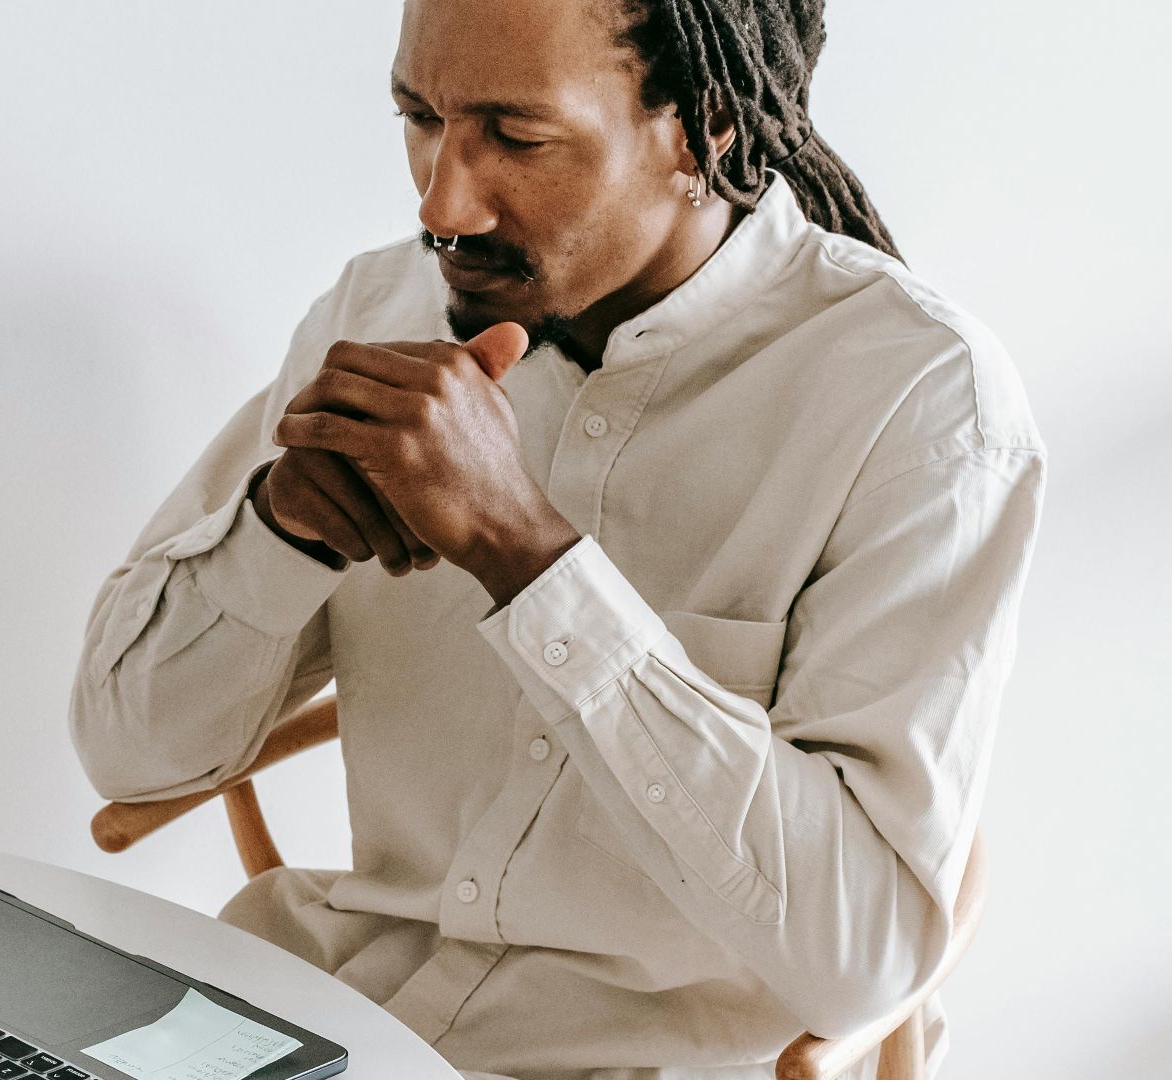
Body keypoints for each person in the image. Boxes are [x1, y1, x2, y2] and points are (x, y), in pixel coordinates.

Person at [67, 1, 1047, 1077]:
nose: (442, 200)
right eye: (419, 117)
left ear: (709, 125)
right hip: (327, 1021)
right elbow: (130, 751)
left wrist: (527, 556)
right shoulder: (378, 309)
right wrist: (282, 525)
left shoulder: (919, 402)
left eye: (517, 137)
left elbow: (863, 959)